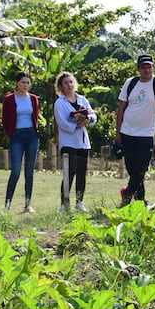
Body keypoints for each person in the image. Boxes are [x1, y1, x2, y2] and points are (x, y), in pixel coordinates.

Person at [115, 54, 155, 206]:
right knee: (132, 170)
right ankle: (141, 203)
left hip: (146, 133)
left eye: (149, 66)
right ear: (138, 69)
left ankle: (126, 199)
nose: (146, 70)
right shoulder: (130, 83)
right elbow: (121, 108)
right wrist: (118, 133)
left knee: (141, 169)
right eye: (143, 67)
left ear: (154, 67)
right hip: (127, 132)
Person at [54, 71, 97, 213]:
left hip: (82, 142)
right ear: (61, 86)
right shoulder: (60, 103)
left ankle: (79, 202)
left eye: (71, 82)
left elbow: (93, 115)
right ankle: (64, 203)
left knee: (81, 172)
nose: (69, 85)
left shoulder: (82, 99)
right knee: (69, 172)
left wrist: (88, 119)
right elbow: (63, 123)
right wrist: (78, 124)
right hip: (68, 142)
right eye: (65, 83)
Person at [3, 72, 40, 213]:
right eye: (23, 82)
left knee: (29, 171)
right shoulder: (9, 99)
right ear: (17, 83)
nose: (25, 85)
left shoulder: (33, 99)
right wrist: (11, 134)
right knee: (16, 171)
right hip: (17, 135)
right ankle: (7, 204)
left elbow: (35, 116)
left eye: (28, 83)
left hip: (31, 135)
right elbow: (5, 120)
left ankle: (28, 204)